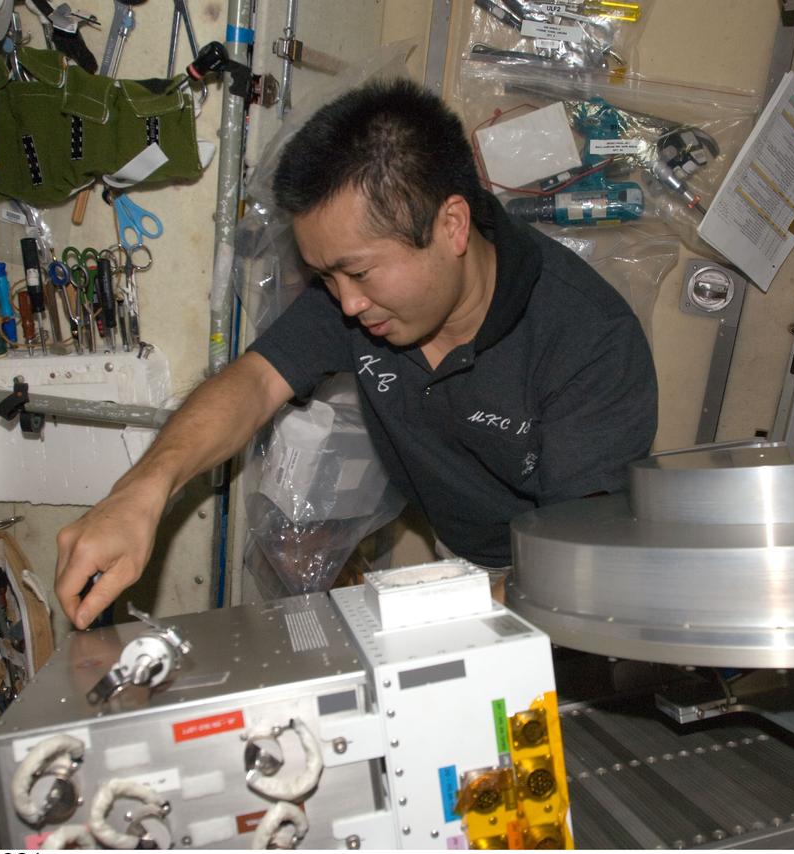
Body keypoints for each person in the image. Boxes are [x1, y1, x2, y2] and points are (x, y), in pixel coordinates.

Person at [54, 78, 658, 629]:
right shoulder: (358, 299)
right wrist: (141, 492)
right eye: (325, 276)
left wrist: (409, 618)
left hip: (550, 579)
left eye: (358, 272)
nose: (344, 305)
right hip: (460, 550)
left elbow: (583, 566)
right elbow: (254, 383)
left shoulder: (591, 342)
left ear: (451, 226)